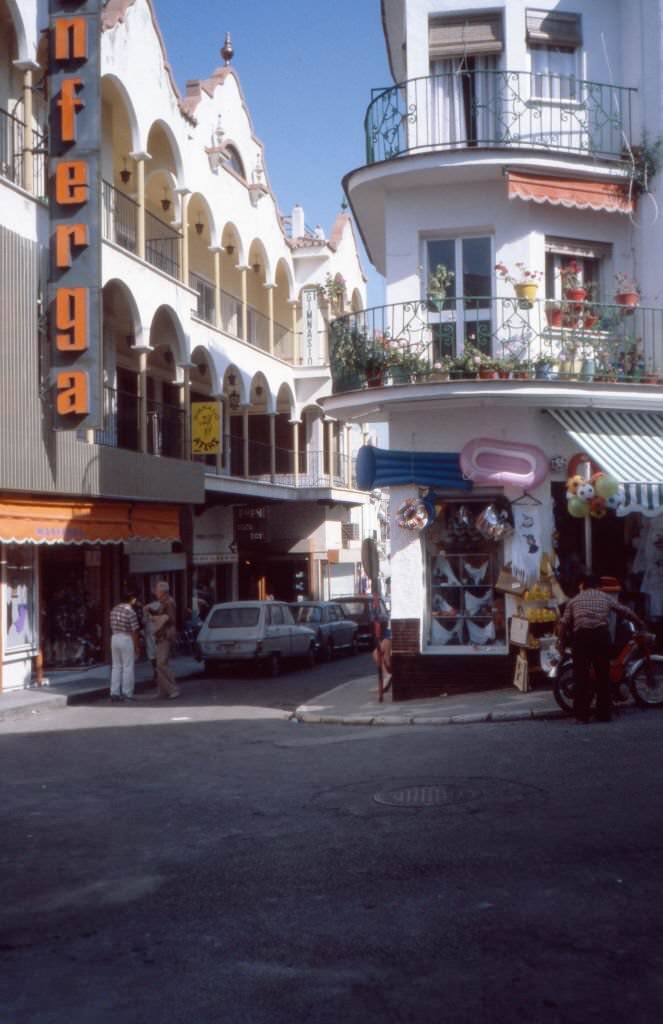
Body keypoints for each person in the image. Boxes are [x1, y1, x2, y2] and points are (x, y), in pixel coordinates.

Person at [558, 572, 645, 723]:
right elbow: (624, 611)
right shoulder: (605, 597)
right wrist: (639, 621)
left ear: (583, 586)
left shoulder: (574, 600)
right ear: (599, 586)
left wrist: (560, 641)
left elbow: (564, 623)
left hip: (582, 638)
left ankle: (581, 716)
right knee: (603, 675)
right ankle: (603, 714)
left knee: (581, 676)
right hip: (601, 637)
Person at [109, 587, 140, 702]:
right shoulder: (130, 611)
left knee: (116, 666)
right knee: (128, 667)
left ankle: (114, 692)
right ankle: (127, 693)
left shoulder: (114, 609)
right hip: (126, 638)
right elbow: (134, 630)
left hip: (114, 637)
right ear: (132, 599)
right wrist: (137, 646)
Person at [150, 581, 179, 700]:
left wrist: (155, 618)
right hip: (161, 635)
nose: (155, 592)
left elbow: (169, 619)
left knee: (161, 664)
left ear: (162, 591)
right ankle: (163, 691)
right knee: (161, 664)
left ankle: (173, 688)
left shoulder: (169, 602)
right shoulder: (163, 602)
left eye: (157, 590)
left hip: (165, 636)